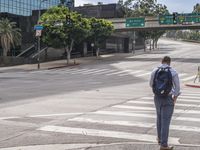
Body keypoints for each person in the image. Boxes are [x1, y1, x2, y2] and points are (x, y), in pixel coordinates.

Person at [149, 56, 180, 150]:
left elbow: (151, 84)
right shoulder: (173, 72)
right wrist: (174, 97)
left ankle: (159, 139)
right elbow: (177, 88)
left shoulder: (155, 71)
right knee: (166, 121)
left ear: (161, 61)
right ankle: (164, 145)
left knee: (159, 118)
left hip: (157, 98)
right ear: (169, 62)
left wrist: (158, 91)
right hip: (168, 98)